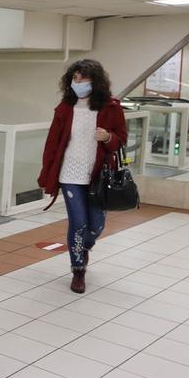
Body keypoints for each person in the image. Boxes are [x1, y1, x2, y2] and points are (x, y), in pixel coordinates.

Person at [38, 59, 127, 294]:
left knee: (96, 225)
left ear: (95, 81)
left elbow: (122, 138)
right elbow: (52, 144)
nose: (78, 83)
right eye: (75, 78)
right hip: (70, 173)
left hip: (98, 175)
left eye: (83, 79)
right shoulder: (65, 108)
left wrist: (108, 137)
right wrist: (47, 173)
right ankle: (78, 269)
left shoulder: (111, 107)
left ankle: (84, 246)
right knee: (78, 222)